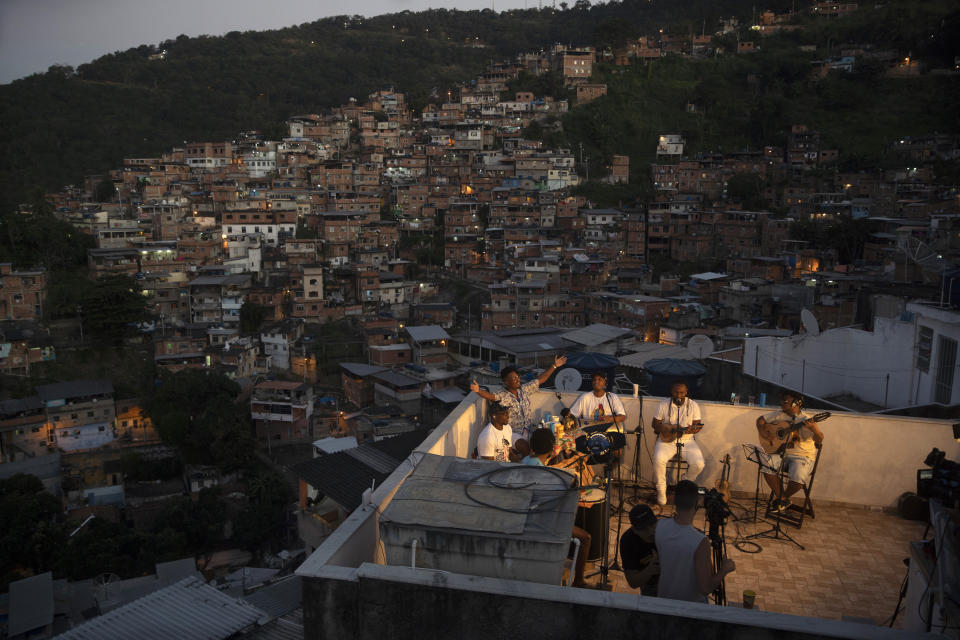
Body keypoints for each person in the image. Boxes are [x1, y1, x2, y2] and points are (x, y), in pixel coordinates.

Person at [520, 427, 592, 588]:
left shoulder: (526, 461)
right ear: (552, 449)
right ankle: (579, 581)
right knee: (585, 538)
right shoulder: (543, 473)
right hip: (539, 522)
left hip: (524, 515)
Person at [655, 480, 735, 603]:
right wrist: (724, 569)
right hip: (690, 609)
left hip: (664, 600)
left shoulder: (660, 526)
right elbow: (705, 588)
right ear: (697, 502)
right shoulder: (700, 542)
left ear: (674, 500)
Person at [756, 392, 824, 512]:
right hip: (782, 453)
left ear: (796, 404)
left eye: (785, 401)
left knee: (798, 477)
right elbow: (760, 420)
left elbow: (819, 440)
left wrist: (815, 430)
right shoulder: (779, 414)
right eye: (782, 400)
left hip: (803, 456)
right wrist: (763, 432)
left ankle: (782, 499)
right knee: (767, 466)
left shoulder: (806, 419)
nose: (782, 403)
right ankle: (783, 499)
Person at [470, 354, 567, 438]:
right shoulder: (502, 395)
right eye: (514, 378)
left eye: (517, 377)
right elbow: (490, 396)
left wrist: (554, 366)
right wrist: (478, 390)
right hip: (514, 434)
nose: (518, 380)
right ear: (506, 382)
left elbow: (541, 379)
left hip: (528, 431)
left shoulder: (524, 389)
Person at [651, 381, 705, 507]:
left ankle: (685, 482)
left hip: (687, 440)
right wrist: (664, 428)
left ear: (686, 393)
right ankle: (661, 491)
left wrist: (693, 429)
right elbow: (654, 424)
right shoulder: (664, 404)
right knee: (658, 459)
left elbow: (697, 424)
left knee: (699, 464)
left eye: (681, 392)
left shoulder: (693, 405)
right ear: (672, 392)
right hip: (666, 441)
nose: (678, 395)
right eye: (676, 392)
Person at [619, 504, 659, 596]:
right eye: (643, 529)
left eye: (652, 525)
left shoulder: (665, 530)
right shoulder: (628, 540)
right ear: (634, 530)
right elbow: (633, 582)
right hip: (650, 585)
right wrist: (651, 569)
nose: (650, 532)